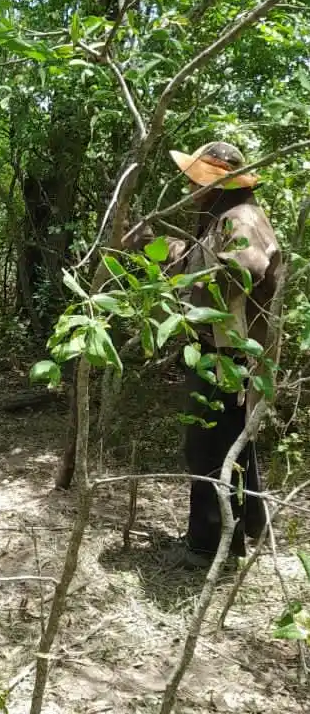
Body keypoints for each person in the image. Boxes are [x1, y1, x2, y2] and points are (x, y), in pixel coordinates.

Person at [145, 141, 280, 568]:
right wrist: (162, 249)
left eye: (195, 179)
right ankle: (250, 526)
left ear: (214, 182)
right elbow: (208, 263)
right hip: (229, 350)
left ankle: (207, 548)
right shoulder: (226, 216)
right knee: (234, 442)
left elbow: (238, 273)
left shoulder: (238, 218)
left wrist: (189, 289)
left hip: (228, 354)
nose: (189, 186)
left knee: (207, 445)